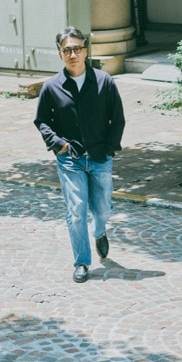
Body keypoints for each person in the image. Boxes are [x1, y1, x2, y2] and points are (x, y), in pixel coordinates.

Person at [34, 26, 125, 282]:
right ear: (60, 54)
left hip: (100, 157)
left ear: (85, 51)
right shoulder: (52, 87)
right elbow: (42, 121)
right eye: (67, 50)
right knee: (76, 210)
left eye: (77, 49)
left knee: (102, 208)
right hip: (70, 160)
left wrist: (109, 149)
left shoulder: (104, 81)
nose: (72, 55)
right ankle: (82, 262)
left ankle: (99, 231)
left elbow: (117, 119)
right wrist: (59, 145)